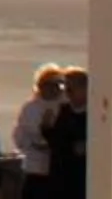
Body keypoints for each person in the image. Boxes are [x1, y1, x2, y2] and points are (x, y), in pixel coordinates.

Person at [13, 63, 67, 195]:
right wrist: (33, 144)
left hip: (59, 170)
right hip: (34, 168)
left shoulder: (66, 106)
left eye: (57, 85)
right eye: (47, 84)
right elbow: (19, 137)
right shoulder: (30, 108)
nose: (52, 89)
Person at [48, 66, 92, 198]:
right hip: (60, 179)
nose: (68, 93)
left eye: (72, 89)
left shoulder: (95, 115)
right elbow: (56, 142)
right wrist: (46, 129)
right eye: (66, 89)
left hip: (83, 180)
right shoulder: (61, 111)